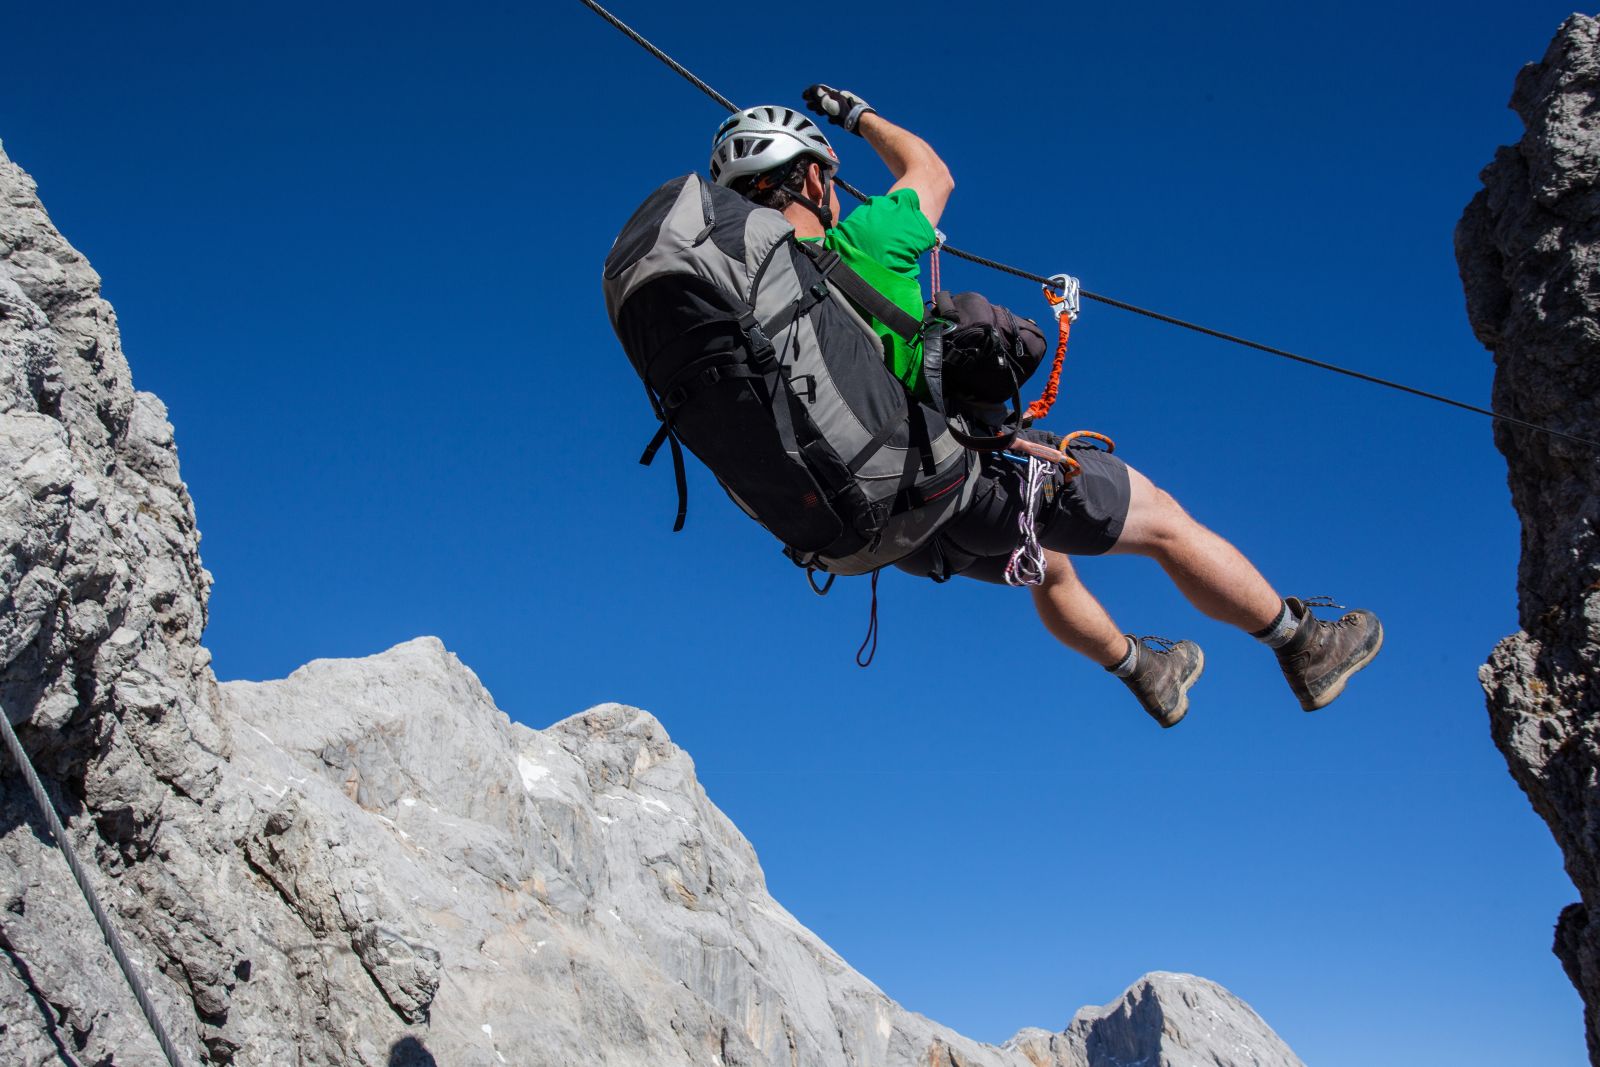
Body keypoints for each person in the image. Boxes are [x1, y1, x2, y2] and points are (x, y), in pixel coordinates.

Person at [708, 87, 1383, 727]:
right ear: (816, 180)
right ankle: (1303, 645)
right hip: (964, 483)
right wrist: (857, 115)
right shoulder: (866, 239)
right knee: (1165, 522)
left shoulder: (740, 316)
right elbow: (931, 171)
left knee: (1048, 561)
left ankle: (1144, 669)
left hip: (888, 532)